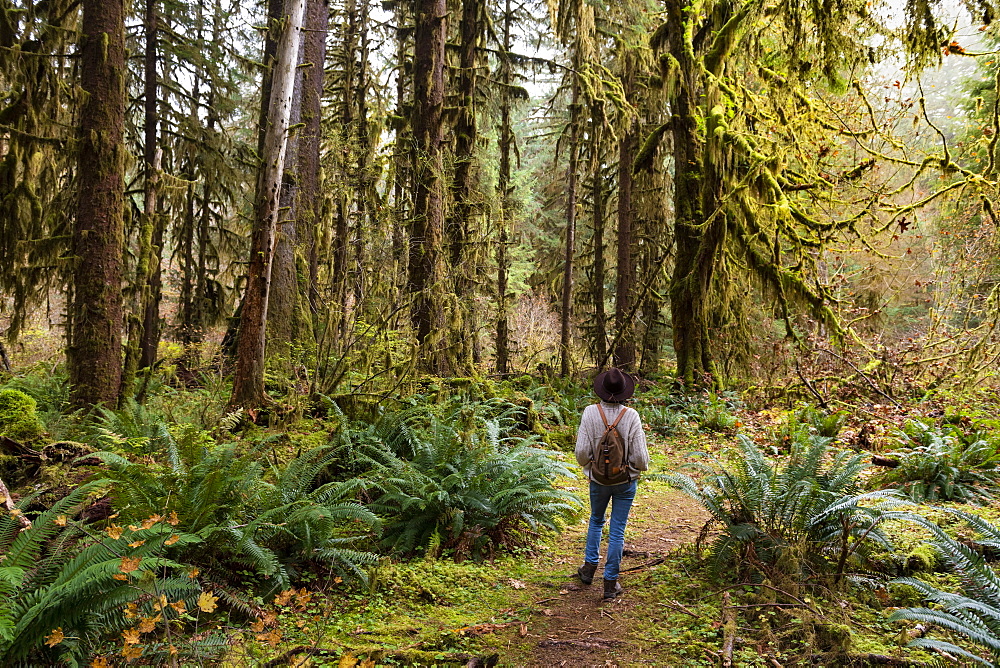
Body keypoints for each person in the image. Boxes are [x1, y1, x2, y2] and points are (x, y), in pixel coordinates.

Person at [574, 367, 649, 600]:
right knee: (617, 529)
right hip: (625, 481)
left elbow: (581, 453)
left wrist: (591, 467)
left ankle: (588, 569)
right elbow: (641, 459)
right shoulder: (631, 415)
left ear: (601, 390)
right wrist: (633, 470)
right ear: (624, 392)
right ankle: (610, 582)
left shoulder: (589, 412)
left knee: (596, 521)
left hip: (598, 479)